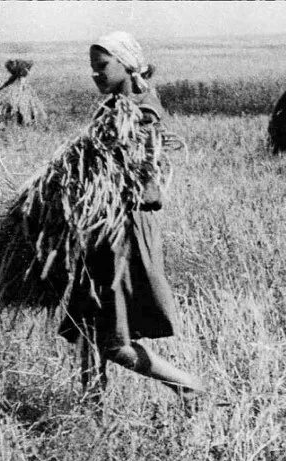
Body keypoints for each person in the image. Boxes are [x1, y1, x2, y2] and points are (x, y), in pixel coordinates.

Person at [58, 32, 204, 404]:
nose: (96, 75)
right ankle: (90, 406)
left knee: (113, 341)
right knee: (87, 326)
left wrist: (110, 188)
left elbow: (151, 187)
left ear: (126, 63)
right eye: (92, 69)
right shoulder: (114, 107)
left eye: (102, 66)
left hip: (123, 229)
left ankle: (190, 388)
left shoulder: (142, 109)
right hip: (100, 227)